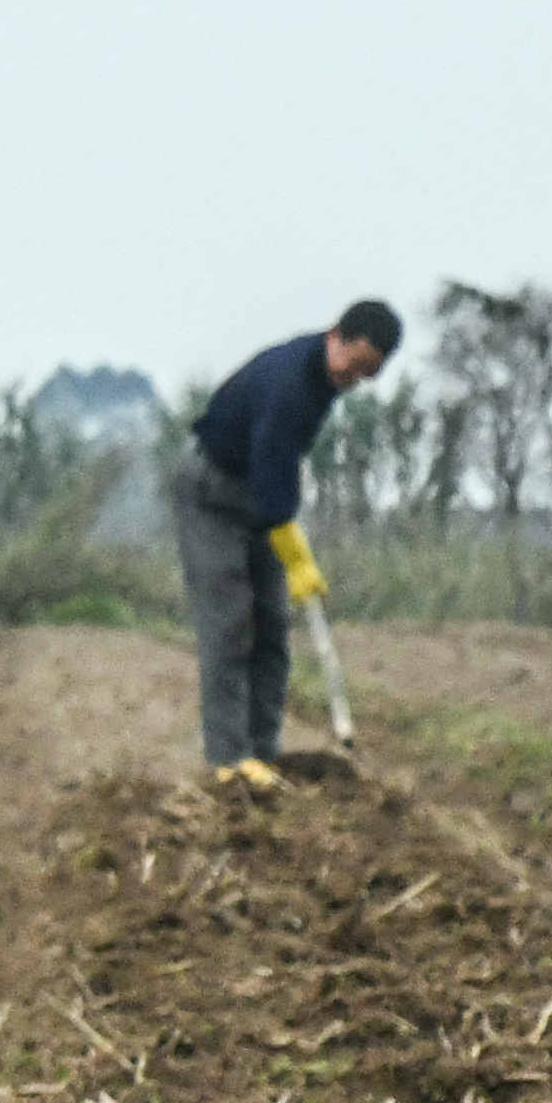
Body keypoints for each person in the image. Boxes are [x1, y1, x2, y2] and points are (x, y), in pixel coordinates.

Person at [176, 302, 400, 781]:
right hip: (211, 490)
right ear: (336, 336)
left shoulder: (326, 379)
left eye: (366, 375)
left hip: (259, 495)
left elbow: (281, 463)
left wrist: (285, 530)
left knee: (272, 625)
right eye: (354, 364)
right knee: (230, 622)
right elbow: (272, 455)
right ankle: (230, 762)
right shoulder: (291, 380)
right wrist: (292, 545)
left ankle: (263, 752)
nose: (353, 379)